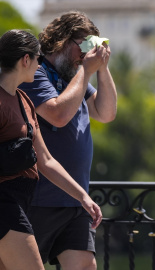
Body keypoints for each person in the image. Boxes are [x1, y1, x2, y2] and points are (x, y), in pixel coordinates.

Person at [19, 11, 117, 270]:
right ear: (63, 40)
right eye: (84, 44)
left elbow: (105, 113)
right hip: (38, 198)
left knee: (85, 266)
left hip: (75, 198)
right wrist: (86, 69)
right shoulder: (34, 73)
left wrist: (102, 70)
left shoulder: (75, 77)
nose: (87, 54)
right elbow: (57, 115)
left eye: (93, 45)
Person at [0, 29, 102, 270]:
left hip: (20, 200)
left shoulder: (24, 100)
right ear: (26, 59)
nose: (39, 65)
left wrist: (83, 197)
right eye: (37, 59)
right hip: (5, 203)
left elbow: (46, 161)